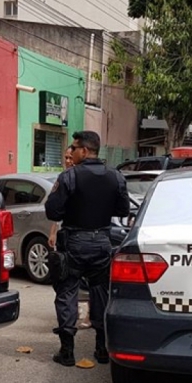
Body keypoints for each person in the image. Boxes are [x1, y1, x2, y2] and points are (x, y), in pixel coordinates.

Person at [45, 131, 130, 367]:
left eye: (73, 148)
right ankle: (102, 349)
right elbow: (123, 210)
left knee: (67, 292)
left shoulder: (69, 176)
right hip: (102, 240)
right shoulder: (115, 176)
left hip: (74, 241)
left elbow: (53, 211)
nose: (70, 152)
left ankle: (67, 351)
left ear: (84, 150)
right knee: (100, 291)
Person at [48, 146, 91, 331]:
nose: (67, 160)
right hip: (68, 235)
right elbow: (55, 212)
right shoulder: (63, 178)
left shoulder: (80, 178)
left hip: (82, 238)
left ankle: (85, 316)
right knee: (66, 280)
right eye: (64, 157)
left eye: (69, 156)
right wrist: (52, 232)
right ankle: (73, 318)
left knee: (83, 282)